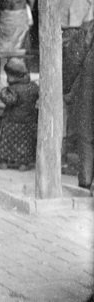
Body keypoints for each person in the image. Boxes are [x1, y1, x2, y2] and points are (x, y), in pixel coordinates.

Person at [63, 19, 94, 193]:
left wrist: (67, 86)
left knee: (86, 135)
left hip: (89, 84)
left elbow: (74, 60)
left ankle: (86, 180)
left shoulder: (89, 28)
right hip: (88, 83)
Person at [0, 58, 39, 171]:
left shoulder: (13, 89)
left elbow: (10, 101)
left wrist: (0, 93)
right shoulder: (33, 87)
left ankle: (4, 161)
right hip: (28, 121)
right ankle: (23, 163)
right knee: (25, 143)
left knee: (8, 141)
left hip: (12, 121)